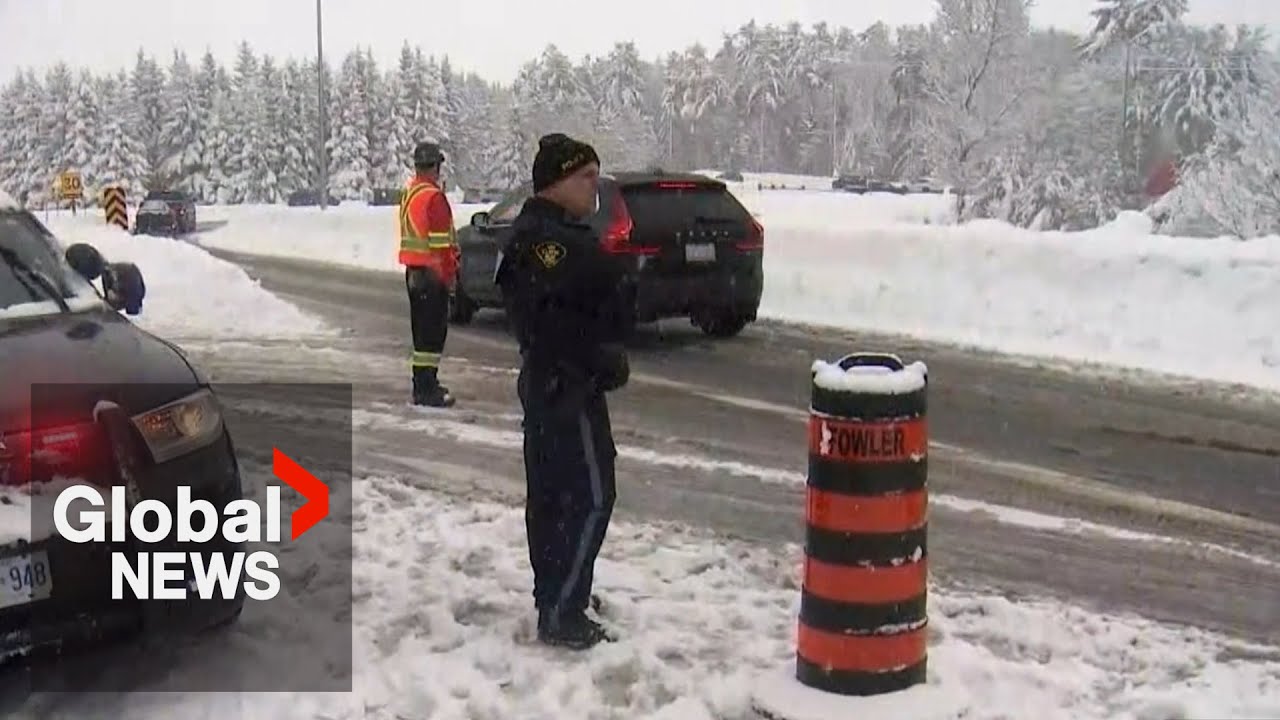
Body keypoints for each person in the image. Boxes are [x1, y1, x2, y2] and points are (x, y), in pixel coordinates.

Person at [495, 133, 631, 650]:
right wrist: (601, 358)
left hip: (557, 383)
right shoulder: (548, 243)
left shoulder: (550, 233)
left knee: (553, 498)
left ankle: (556, 595)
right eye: (586, 177)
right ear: (557, 182)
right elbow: (549, 322)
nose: (596, 187)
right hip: (567, 386)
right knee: (591, 496)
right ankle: (563, 610)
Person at [398, 141, 462, 408]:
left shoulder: (411, 193)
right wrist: (449, 277)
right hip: (431, 275)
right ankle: (426, 389)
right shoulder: (434, 197)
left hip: (414, 272)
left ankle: (423, 383)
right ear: (436, 166)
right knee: (432, 335)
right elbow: (440, 247)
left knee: (421, 334)